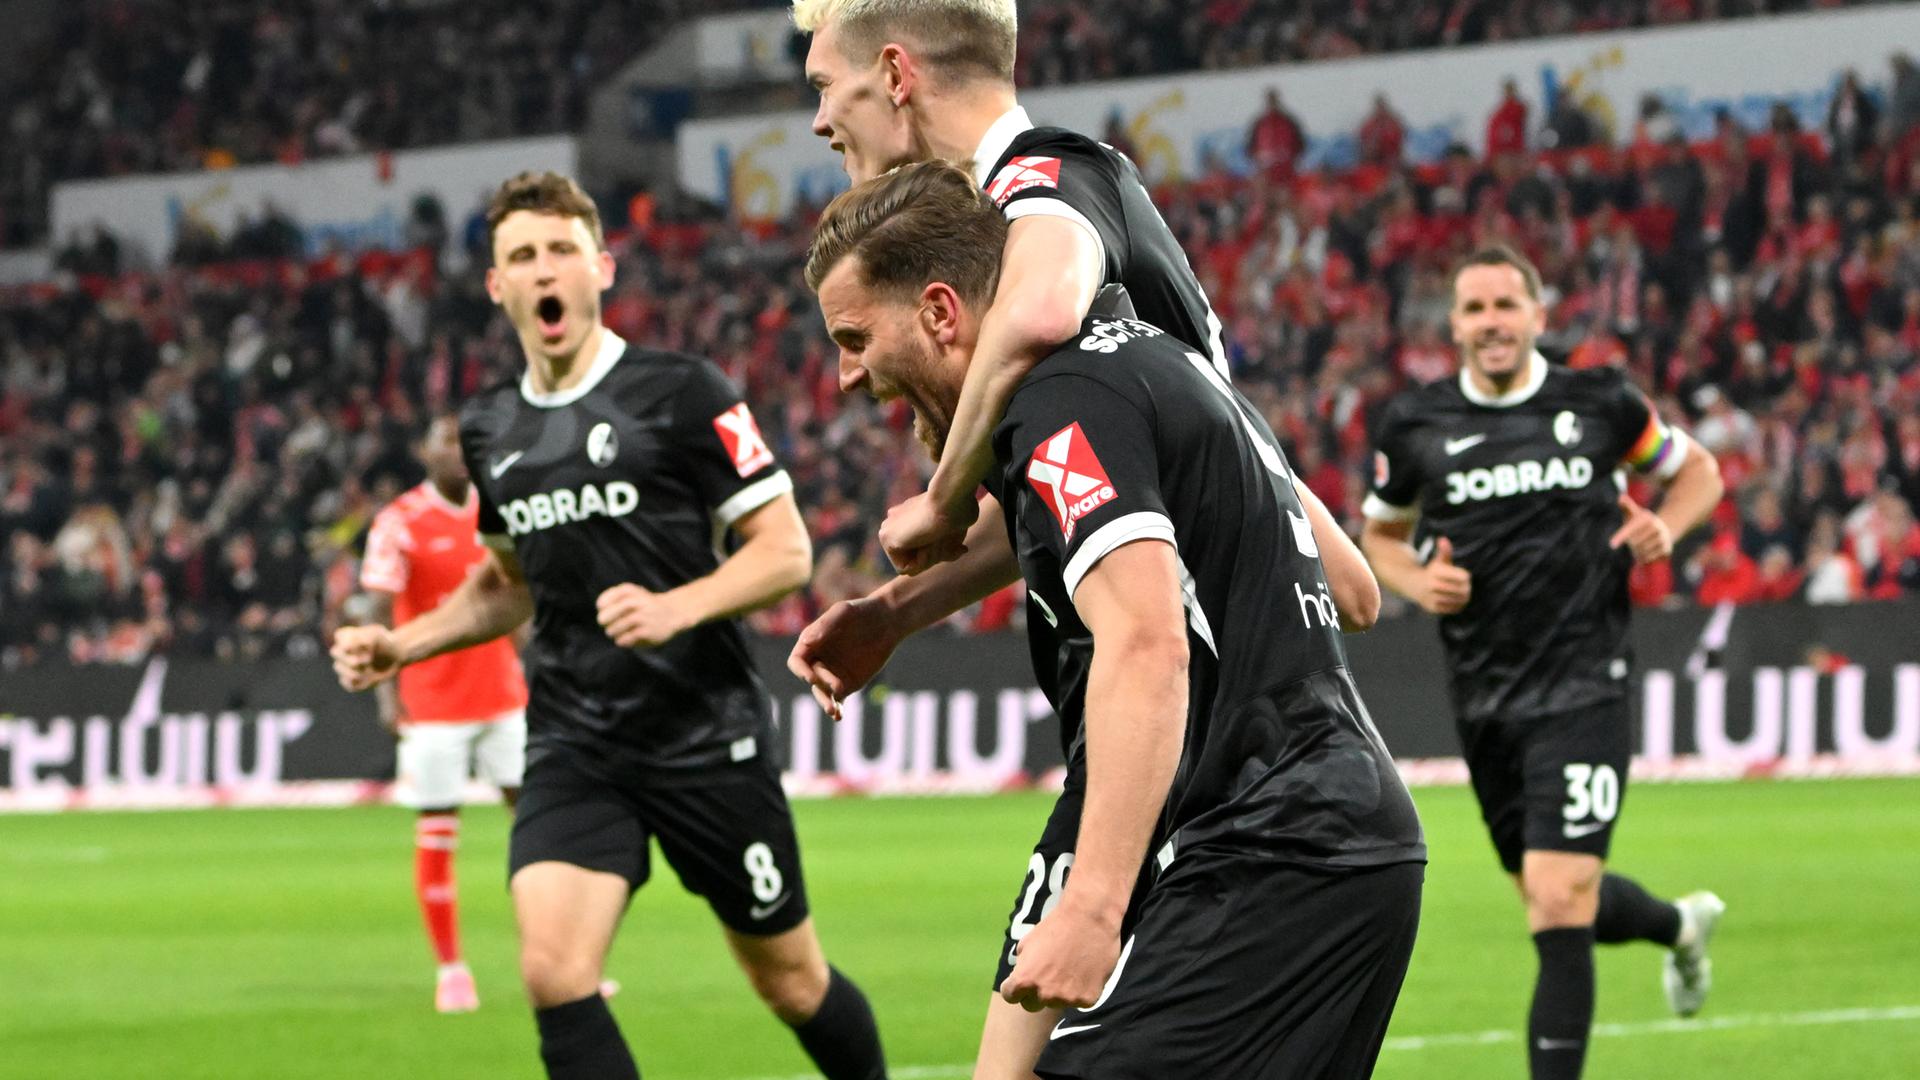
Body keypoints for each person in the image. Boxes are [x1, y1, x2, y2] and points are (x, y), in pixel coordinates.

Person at [792, 1, 1372, 1070]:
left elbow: (1041, 313)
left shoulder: (1045, 182)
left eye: (827, 86)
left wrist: (945, 495)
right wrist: (899, 611)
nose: (821, 120)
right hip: (1157, 746)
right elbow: (1341, 580)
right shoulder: (1075, 266)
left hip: (1221, 770)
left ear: (896, 73)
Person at [331, 172, 886, 1080]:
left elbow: (784, 551)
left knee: (791, 983)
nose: (544, 269)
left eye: (561, 250)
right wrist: (403, 643)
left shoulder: (683, 391)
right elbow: (505, 585)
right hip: (576, 739)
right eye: (522, 256)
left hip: (703, 733)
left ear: (600, 268)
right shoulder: (490, 427)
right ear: (497, 285)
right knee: (554, 972)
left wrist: (678, 606)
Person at [1360, 245, 1728, 1080]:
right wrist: (1419, 580)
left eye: (1505, 305)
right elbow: (1379, 536)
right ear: (1454, 326)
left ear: (1537, 315)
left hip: (1586, 682)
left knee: (1559, 898)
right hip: (1486, 697)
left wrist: (1666, 526)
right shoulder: (1415, 426)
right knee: (1549, 894)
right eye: (1475, 308)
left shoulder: (1600, 402)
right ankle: (1678, 926)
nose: (1491, 322)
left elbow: (1699, 474)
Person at [358, 413, 530, 1014]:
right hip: (433, 703)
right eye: (446, 442)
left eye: (464, 442)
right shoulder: (399, 522)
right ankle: (451, 969)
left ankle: (556, 960)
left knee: (538, 826)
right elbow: (379, 609)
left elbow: (520, 599)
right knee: (438, 828)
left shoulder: (499, 509)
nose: (458, 452)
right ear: (423, 451)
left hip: (503, 694)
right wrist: (386, 693)